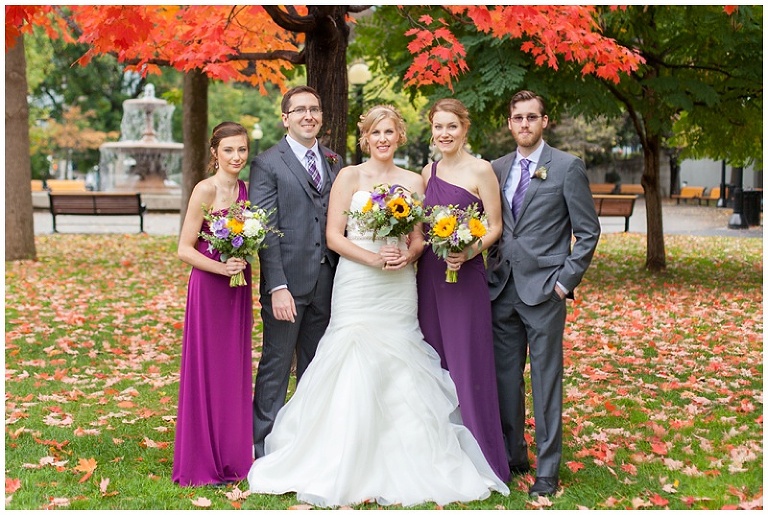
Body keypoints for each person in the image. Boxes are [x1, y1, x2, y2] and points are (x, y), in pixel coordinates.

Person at [247, 105, 510, 508]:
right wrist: (372, 259)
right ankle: (340, 457)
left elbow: (420, 237)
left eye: (389, 132)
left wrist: (409, 254)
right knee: (350, 357)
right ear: (365, 138)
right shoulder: (348, 176)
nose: (383, 139)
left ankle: (407, 456)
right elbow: (334, 236)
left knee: (402, 359)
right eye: (375, 133)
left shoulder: (415, 180)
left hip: (399, 286)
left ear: (399, 136)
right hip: (358, 281)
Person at [487, 90, 601, 498]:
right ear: (509, 123)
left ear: (544, 121)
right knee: (506, 380)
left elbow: (588, 232)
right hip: (502, 288)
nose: (524, 124)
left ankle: (548, 470)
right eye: (518, 118)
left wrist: (563, 282)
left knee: (546, 381)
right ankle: (513, 455)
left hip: (545, 292)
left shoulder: (567, 167)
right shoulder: (496, 168)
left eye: (531, 117)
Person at [415, 98, 509, 483]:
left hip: (466, 277)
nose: (445, 133)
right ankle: (438, 452)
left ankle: (481, 454)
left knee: (467, 362)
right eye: (438, 126)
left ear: (464, 128)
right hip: (429, 276)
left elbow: (495, 225)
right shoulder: (427, 172)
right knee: (433, 362)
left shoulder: (481, 170)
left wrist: (468, 251)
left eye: (451, 126)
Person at [249, 85, 344, 458]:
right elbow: (265, 228)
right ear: (285, 118)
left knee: (317, 367)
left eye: (314, 109)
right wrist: (277, 286)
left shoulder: (333, 160)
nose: (309, 115)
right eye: (300, 110)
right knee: (276, 364)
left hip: (328, 280)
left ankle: (306, 447)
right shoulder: (267, 163)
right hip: (287, 284)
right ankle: (263, 448)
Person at [172, 121, 253, 486]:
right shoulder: (205, 189)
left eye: (242, 149)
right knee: (207, 366)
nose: (236, 157)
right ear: (215, 153)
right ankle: (201, 459)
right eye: (229, 150)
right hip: (209, 288)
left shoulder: (246, 190)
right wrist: (221, 268)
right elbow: (184, 249)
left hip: (238, 288)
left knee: (232, 368)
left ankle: (233, 457)